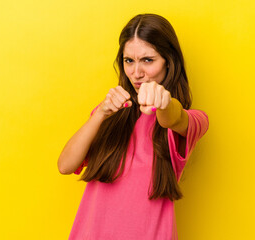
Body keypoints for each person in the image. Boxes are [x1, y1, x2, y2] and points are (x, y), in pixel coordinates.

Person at [58, 13, 209, 240]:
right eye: (129, 61)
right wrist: (100, 114)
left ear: (168, 61)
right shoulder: (111, 113)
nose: (136, 73)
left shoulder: (194, 120)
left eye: (148, 60)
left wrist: (164, 102)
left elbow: (172, 118)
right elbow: (65, 165)